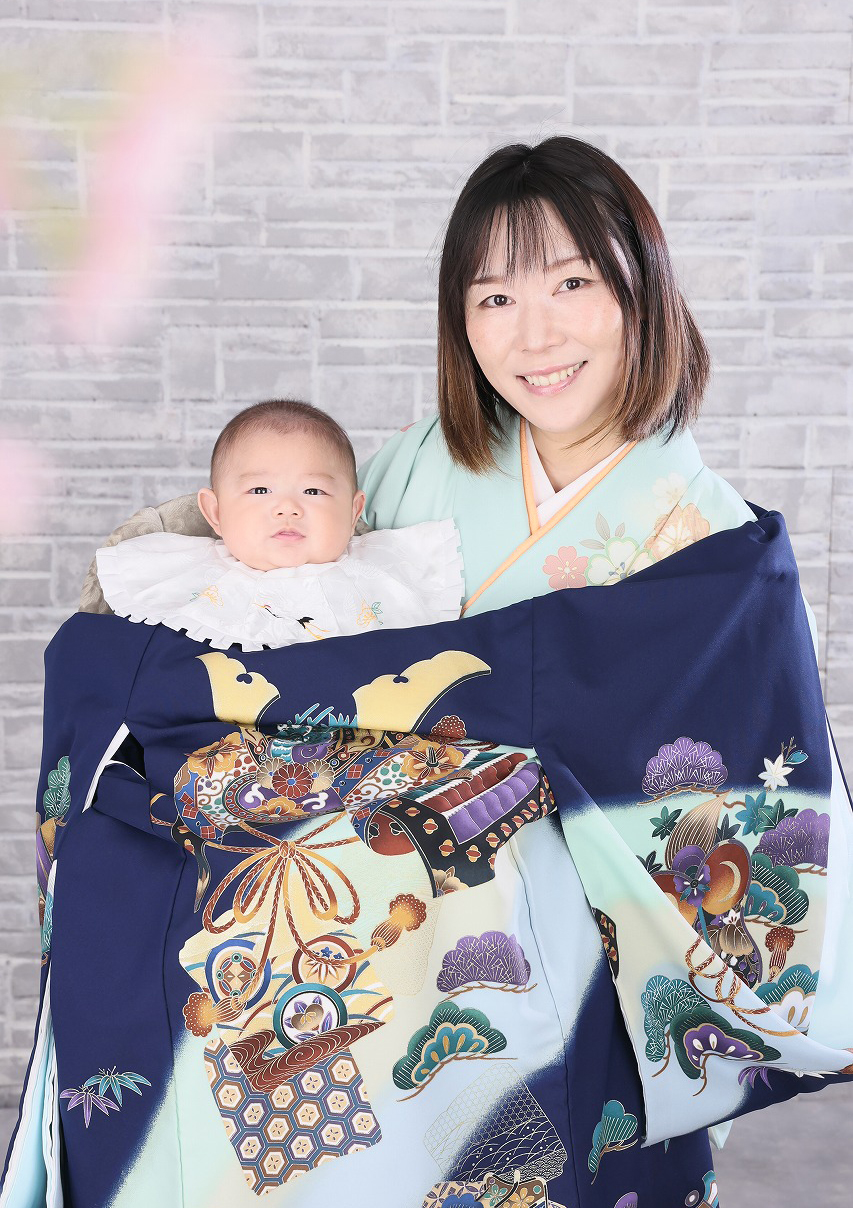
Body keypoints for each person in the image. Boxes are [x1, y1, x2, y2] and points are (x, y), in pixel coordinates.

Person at [6, 137, 852, 1208]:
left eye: (571, 284)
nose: (533, 336)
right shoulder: (426, 463)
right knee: (126, 871)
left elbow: (732, 794)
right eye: (493, 298)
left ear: (641, 287)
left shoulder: (710, 543)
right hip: (349, 907)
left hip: (541, 940)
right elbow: (313, 606)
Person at [94, 398, 464, 650]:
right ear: (215, 513)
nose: (288, 508)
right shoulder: (188, 576)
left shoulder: (382, 572)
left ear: (353, 512)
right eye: (260, 490)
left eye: (313, 491)